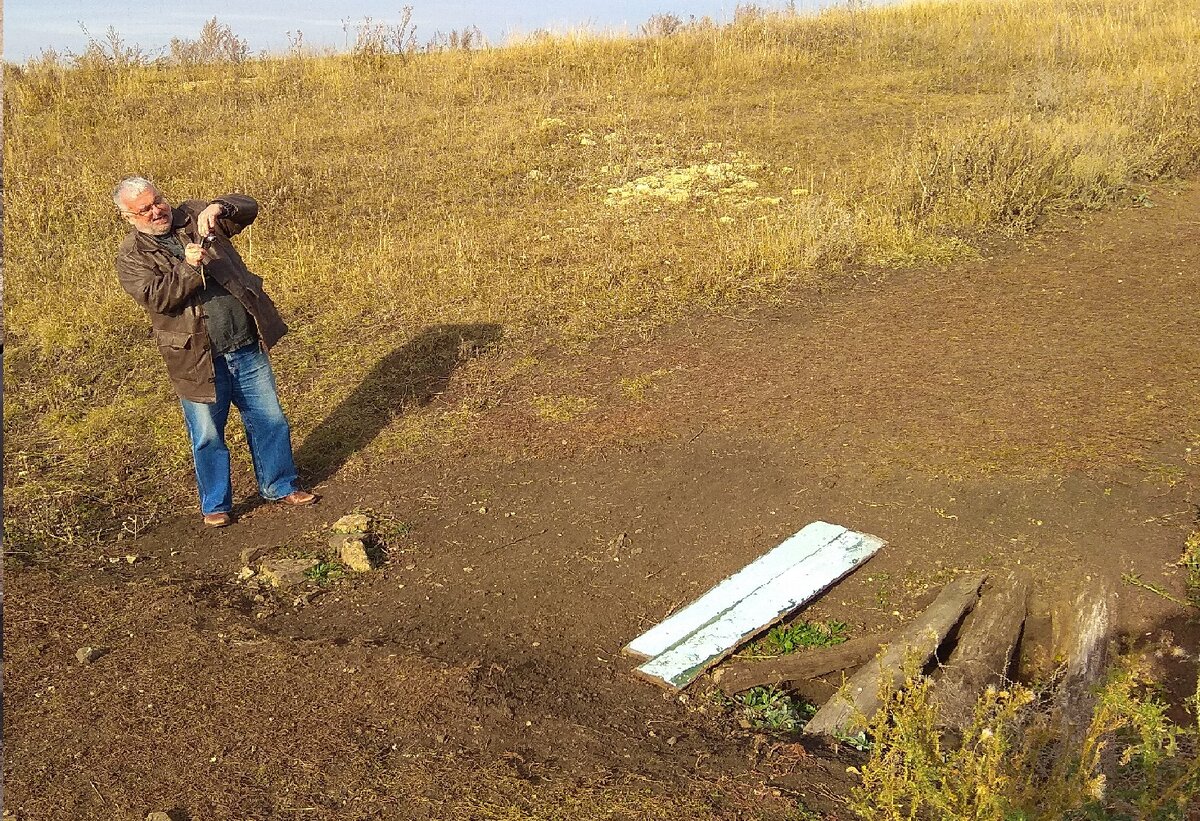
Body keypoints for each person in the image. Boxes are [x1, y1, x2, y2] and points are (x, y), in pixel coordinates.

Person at [113, 177, 316, 527]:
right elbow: (158, 298)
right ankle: (216, 504)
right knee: (207, 435)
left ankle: (280, 485)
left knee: (270, 421)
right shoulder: (131, 256)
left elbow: (248, 207)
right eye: (144, 209)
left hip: (245, 344)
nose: (157, 210)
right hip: (196, 358)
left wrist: (220, 206)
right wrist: (188, 268)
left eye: (157, 200)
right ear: (128, 216)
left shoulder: (193, 214)